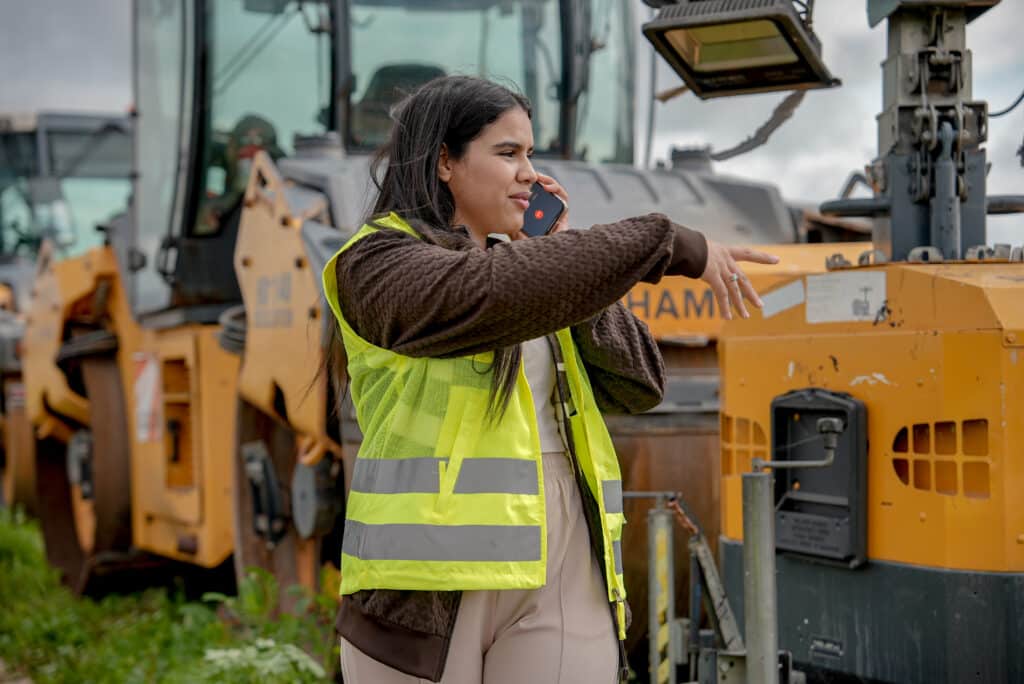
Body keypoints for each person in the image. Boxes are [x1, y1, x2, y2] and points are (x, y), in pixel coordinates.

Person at [320, 75, 777, 684]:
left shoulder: (533, 271)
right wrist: (663, 240)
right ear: (444, 163)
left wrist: (561, 255)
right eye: (508, 153)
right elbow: (488, 291)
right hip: (427, 587)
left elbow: (640, 382)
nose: (530, 172)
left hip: (561, 561)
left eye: (531, 154)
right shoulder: (375, 262)